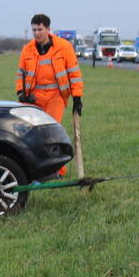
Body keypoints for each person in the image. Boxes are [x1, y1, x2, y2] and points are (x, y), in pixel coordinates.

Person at [15, 13, 84, 176]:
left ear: (48, 29)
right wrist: (21, 93)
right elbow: (20, 74)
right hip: (34, 97)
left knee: (51, 133)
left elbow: (74, 73)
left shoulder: (64, 47)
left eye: (40, 29)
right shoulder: (27, 50)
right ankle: (34, 168)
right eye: (34, 30)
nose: (37, 33)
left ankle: (57, 170)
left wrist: (77, 97)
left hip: (56, 96)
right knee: (30, 134)